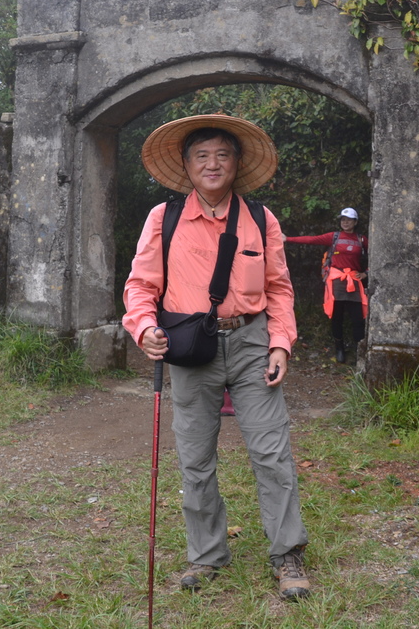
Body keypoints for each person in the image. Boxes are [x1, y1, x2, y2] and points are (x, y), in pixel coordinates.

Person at [122, 114, 311, 600]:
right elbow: (141, 286)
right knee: (195, 457)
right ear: (186, 166)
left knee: (271, 451)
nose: (212, 164)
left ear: (236, 163)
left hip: (251, 342)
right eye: (201, 156)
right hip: (190, 347)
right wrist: (145, 329)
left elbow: (279, 288)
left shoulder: (260, 218)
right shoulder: (163, 219)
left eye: (222, 155)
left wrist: (279, 342)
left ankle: (287, 553)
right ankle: (206, 555)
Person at [283, 208, 368, 363]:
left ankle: (359, 351)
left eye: (349, 220)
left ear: (355, 222)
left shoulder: (361, 239)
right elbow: (312, 240)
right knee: (337, 317)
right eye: (343, 219)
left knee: (357, 319)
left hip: (354, 282)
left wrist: (366, 273)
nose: (345, 222)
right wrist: (288, 239)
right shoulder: (334, 237)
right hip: (336, 282)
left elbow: (376, 256)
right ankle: (339, 349)